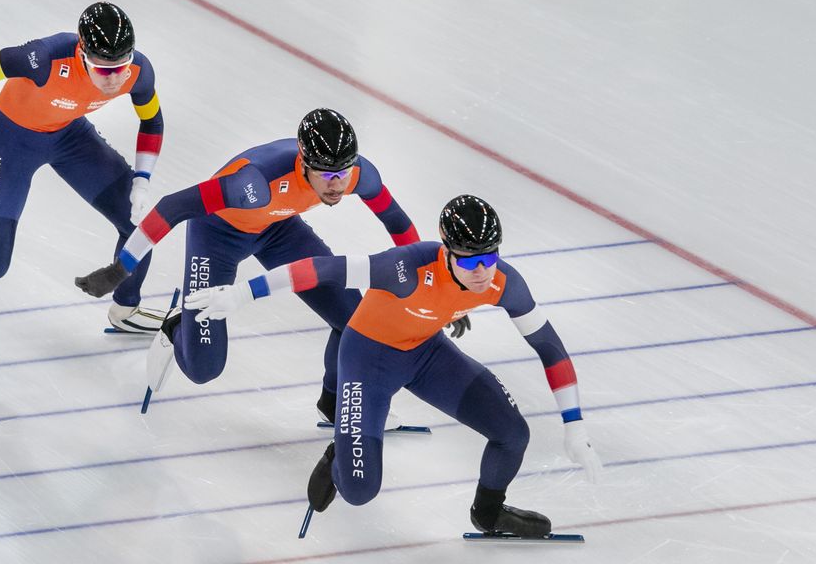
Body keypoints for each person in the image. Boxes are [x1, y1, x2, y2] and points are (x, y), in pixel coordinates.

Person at [182, 195, 603, 537]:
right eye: (471, 262)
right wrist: (242, 294)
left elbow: (549, 347)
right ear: (446, 250)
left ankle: (489, 513)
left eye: (489, 258)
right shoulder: (405, 268)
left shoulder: (502, 281)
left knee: (513, 434)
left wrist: (575, 425)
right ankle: (341, 453)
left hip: (426, 353)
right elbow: (318, 269)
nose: (482, 272)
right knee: (360, 490)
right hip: (368, 359)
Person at [75, 108, 432, 418]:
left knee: (356, 319)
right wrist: (120, 269)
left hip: (277, 227)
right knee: (204, 370)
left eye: (343, 173)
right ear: (304, 163)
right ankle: (177, 327)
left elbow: (397, 223)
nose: (337, 185)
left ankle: (334, 402)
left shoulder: (357, 174)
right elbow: (172, 206)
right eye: (326, 174)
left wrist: (430, 278)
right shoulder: (255, 183)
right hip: (217, 235)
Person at [0, 2, 165, 332]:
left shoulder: (139, 71)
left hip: (69, 135)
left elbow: (151, 121)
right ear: (81, 54)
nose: (112, 80)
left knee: (141, 222)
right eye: (102, 70)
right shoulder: (42, 58)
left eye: (120, 69)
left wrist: (142, 180)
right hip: (12, 138)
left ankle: (126, 311)